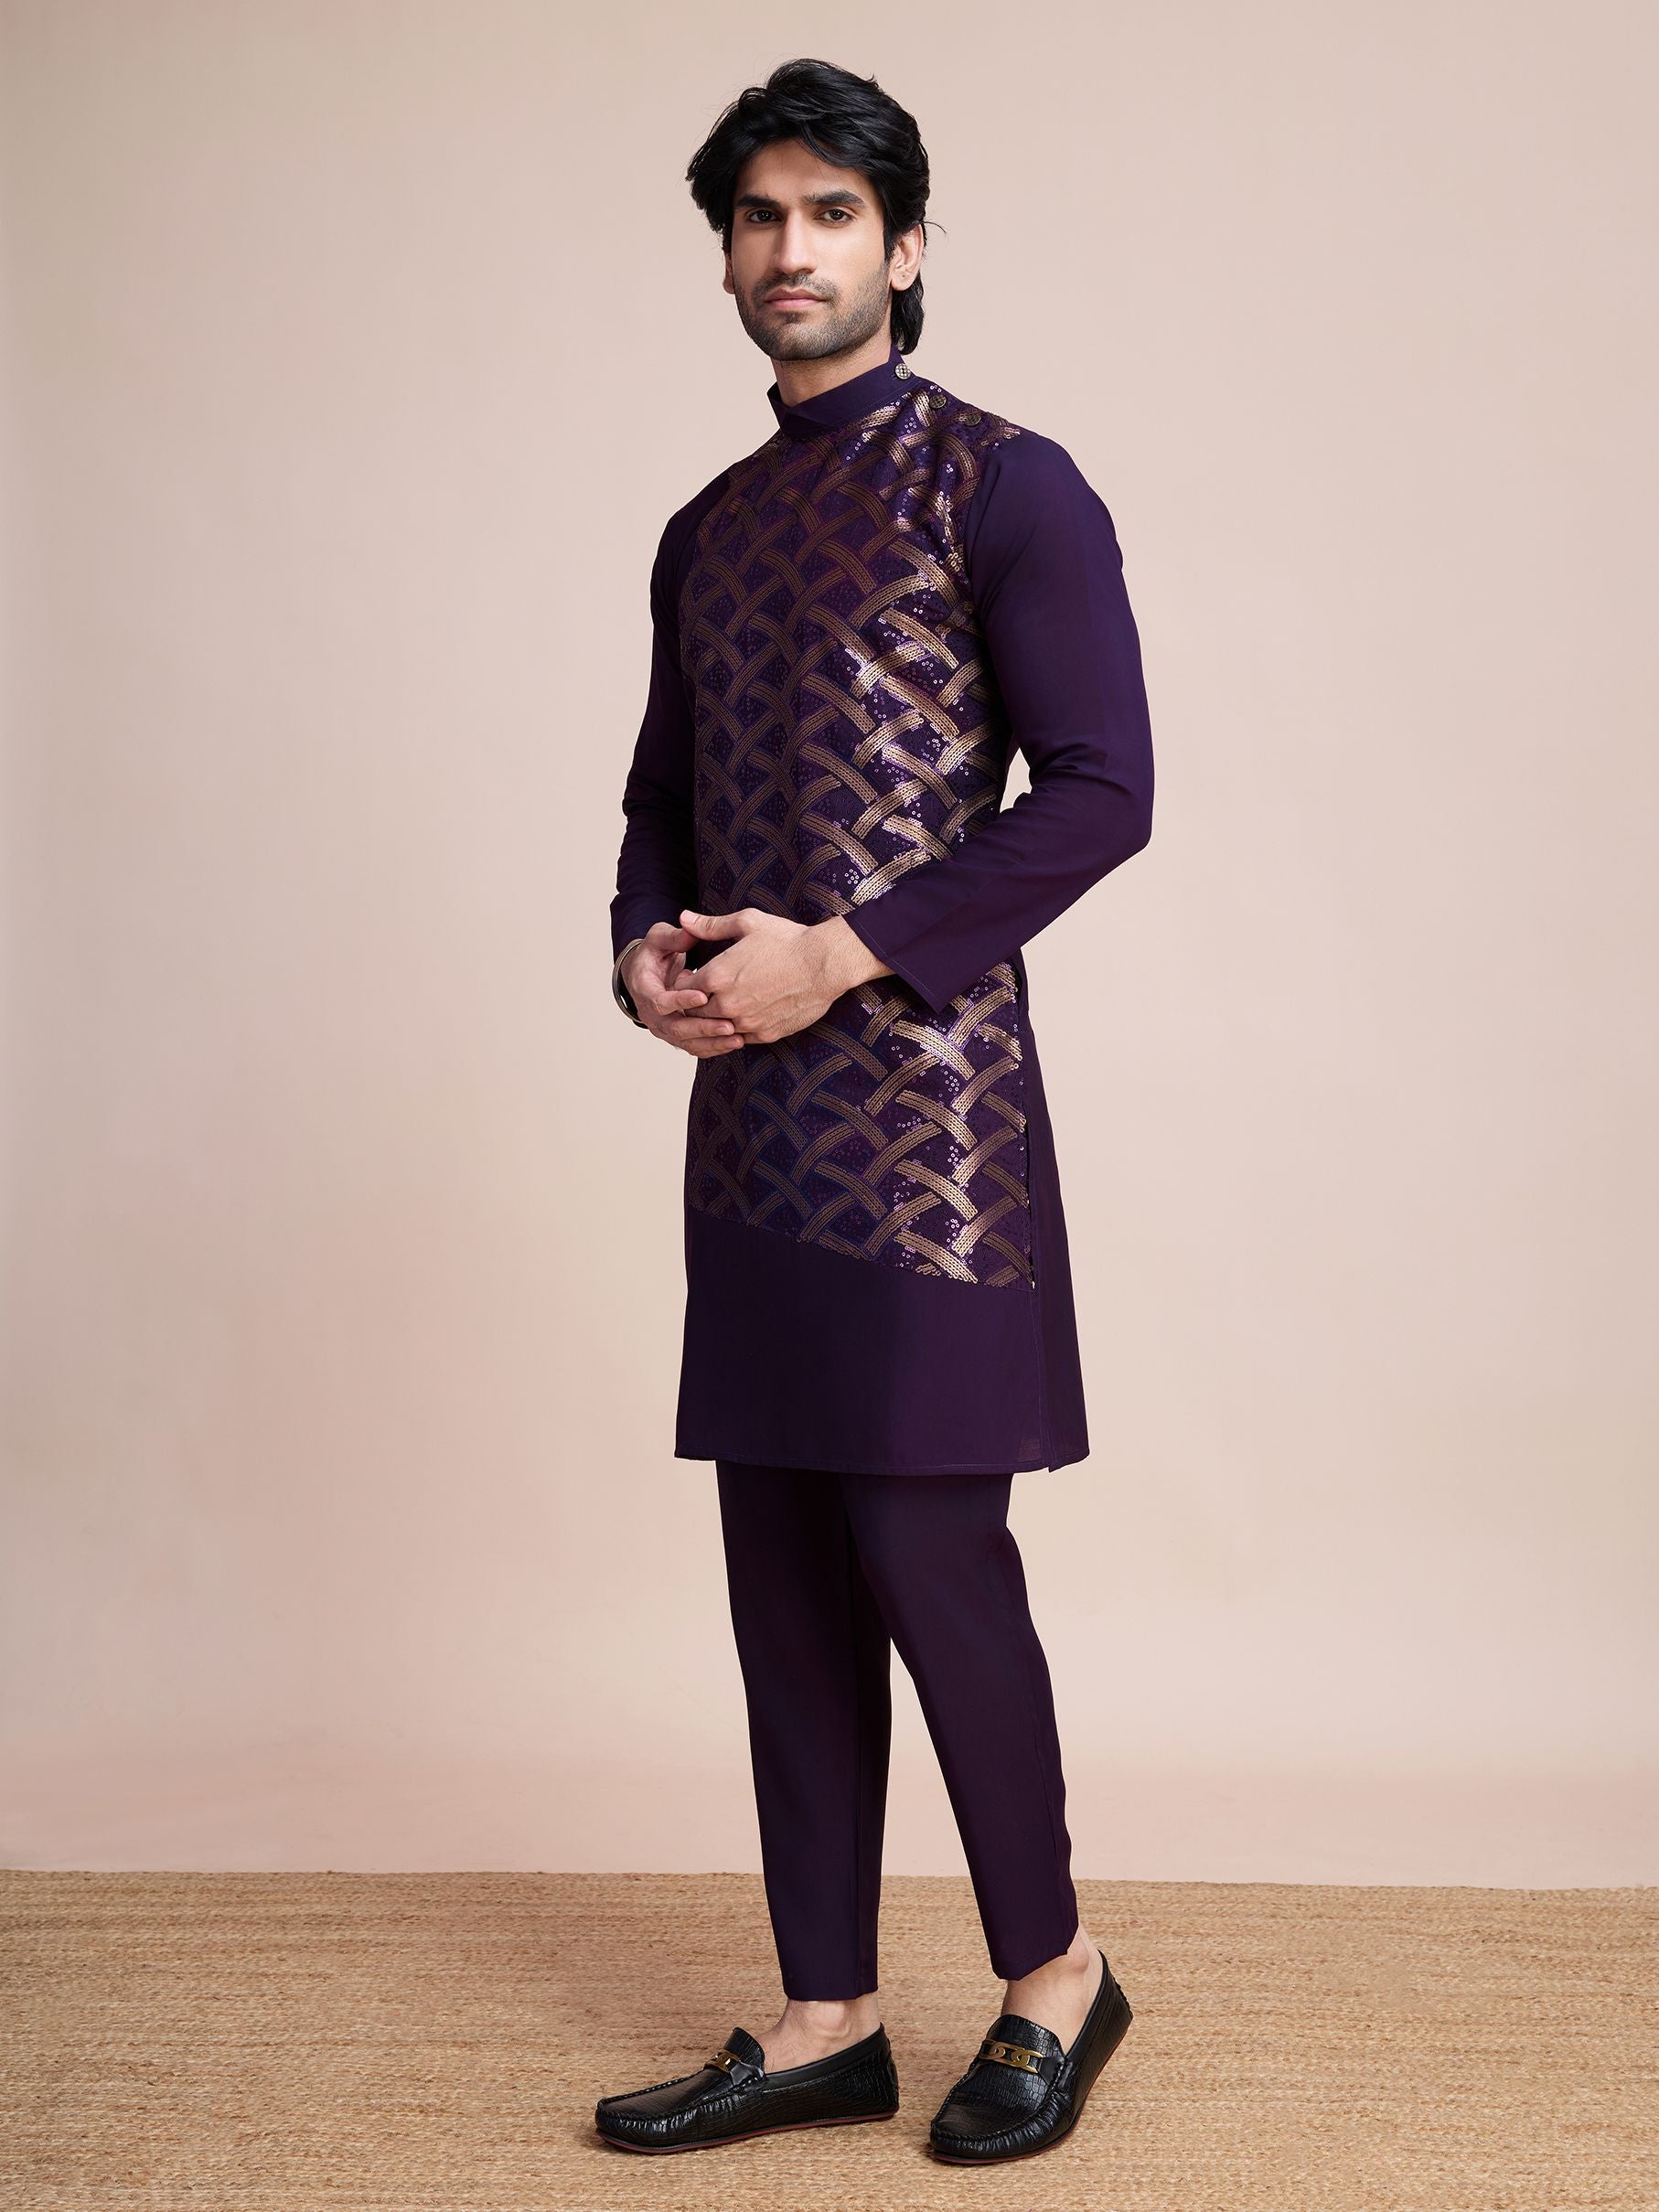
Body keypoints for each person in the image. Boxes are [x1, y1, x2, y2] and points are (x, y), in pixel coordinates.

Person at [594, 55, 1153, 2166]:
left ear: (903, 246)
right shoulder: (705, 531)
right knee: (780, 1572)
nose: (790, 247)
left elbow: (1102, 791)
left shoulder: (1004, 486)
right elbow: (659, 800)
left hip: (927, 1136)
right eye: (758, 215)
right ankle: (826, 2011)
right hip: (749, 1131)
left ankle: (1054, 1975)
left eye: (830, 211)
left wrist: (842, 954)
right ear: (726, 254)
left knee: (930, 1553)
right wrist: (643, 952)